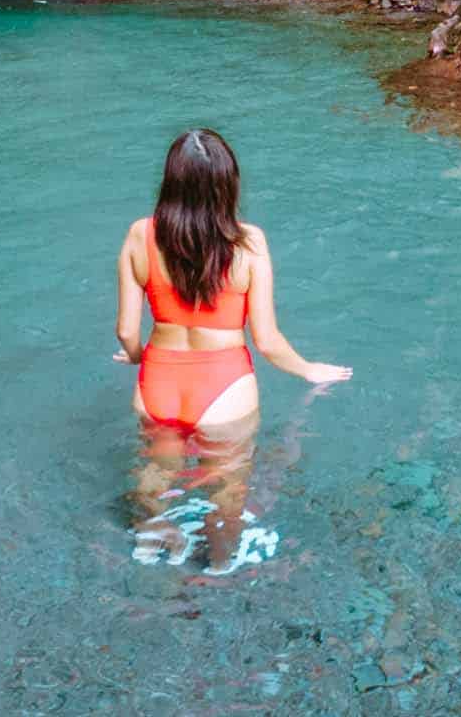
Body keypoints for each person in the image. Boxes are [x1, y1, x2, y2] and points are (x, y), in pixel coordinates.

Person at [113, 127, 349, 570]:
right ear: (227, 184)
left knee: (155, 476)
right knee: (227, 499)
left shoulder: (138, 235)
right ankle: (217, 573)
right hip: (224, 388)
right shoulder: (248, 242)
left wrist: (136, 357)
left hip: (158, 381)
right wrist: (308, 369)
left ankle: (154, 541)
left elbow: (127, 331)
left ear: (170, 182)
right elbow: (268, 341)